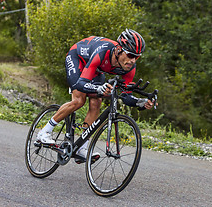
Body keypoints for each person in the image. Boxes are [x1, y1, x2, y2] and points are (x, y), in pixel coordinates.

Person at [37, 29, 155, 163]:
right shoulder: (102, 52)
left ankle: (82, 147)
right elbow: (81, 83)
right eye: (129, 55)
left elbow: (125, 96)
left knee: (96, 102)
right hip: (78, 58)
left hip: (97, 69)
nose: (132, 60)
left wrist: (139, 102)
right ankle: (44, 132)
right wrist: (98, 87)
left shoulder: (130, 67)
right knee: (79, 100)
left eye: (136, 57)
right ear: (118, 50)